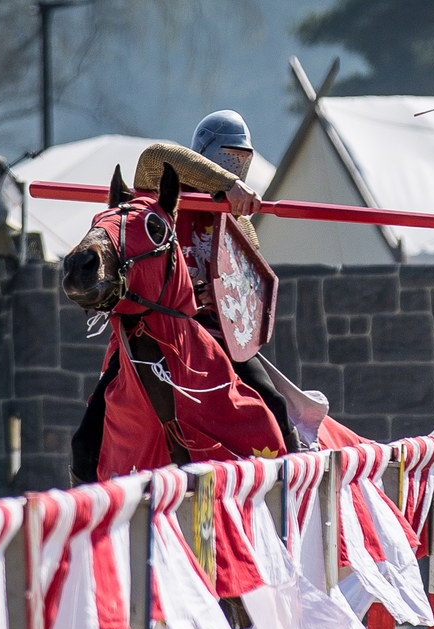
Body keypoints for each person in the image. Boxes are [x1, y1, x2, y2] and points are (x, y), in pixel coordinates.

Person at [71, 110, 303, 484]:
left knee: (273, 405)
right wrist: (227, 183)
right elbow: (158, 154)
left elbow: (250, 291)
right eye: (229, 156)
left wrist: (223, 291)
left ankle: (296, 486)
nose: (236, 165)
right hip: (149, 330)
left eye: (242, 160)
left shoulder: (238, 224)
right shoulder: (157, 196)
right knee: (85, 441)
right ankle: (83, 520)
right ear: (206, 152)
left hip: (210, 334)